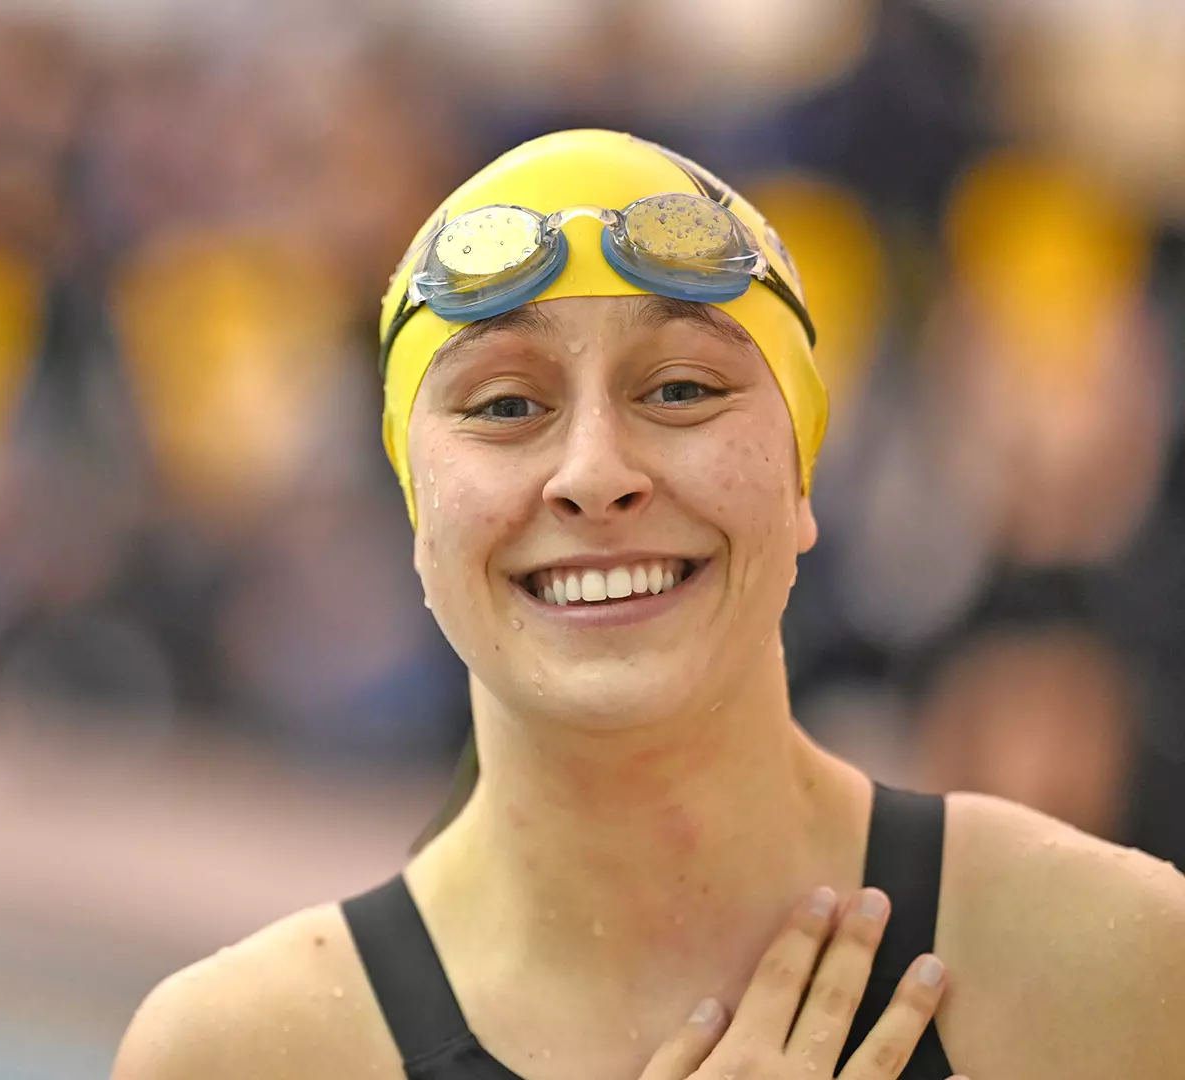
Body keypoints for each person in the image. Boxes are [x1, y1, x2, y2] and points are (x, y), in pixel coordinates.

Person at [112, 129, 1185, 1079]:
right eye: (506, 403)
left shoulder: (1114, 967)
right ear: (418, 517)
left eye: (680, 389)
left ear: (802, 480)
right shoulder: (241, 1055)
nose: (594, 471)